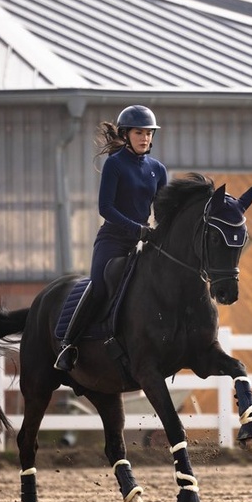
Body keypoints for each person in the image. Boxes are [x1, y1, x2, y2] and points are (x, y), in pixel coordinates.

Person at [54, 105, 168, 371]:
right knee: (99, 287)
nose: (145, 138)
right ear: (126, 134)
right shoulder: (114, 165)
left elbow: (163, 210)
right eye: (139, 132)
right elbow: (105, 208)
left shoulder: (158, 169)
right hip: (113, 241)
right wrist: (137, 229)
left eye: (149, 133)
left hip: (143, 242)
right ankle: (68, 344)